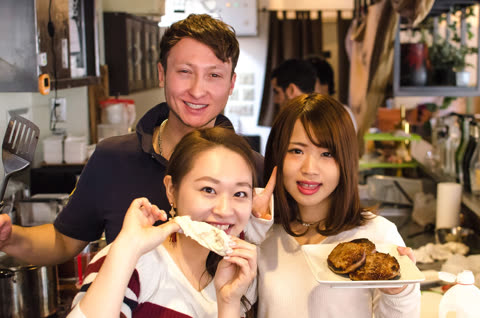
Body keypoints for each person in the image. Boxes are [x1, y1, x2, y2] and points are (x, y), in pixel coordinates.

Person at [0, 14, 270, 266]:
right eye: (185, 72)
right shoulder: (113, 158)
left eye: (214, 75)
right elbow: (63, 240)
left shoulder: (253, 172)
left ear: (231, 83)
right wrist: (10, 238)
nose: (198, 90)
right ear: (162, 73)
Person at [256, 93, 421, 317]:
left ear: (346, 161)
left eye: (327, 153)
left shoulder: (378, 235)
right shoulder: (260, 236)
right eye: (297, 151)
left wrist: (398, 291)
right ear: (277, 155)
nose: (310, 168)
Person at [68, 127, 260, 318]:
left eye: (240, 193)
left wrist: (229, 303)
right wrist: (127, 249)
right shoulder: (131, 261)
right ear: (171, 190)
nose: (225, 210)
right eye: (208, 190)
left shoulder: (236, 277)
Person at [306, 55, 358, 132]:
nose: (305, 89)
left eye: (309, 82)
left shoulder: (342, 114)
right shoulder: (304, 112)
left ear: (325, 84)